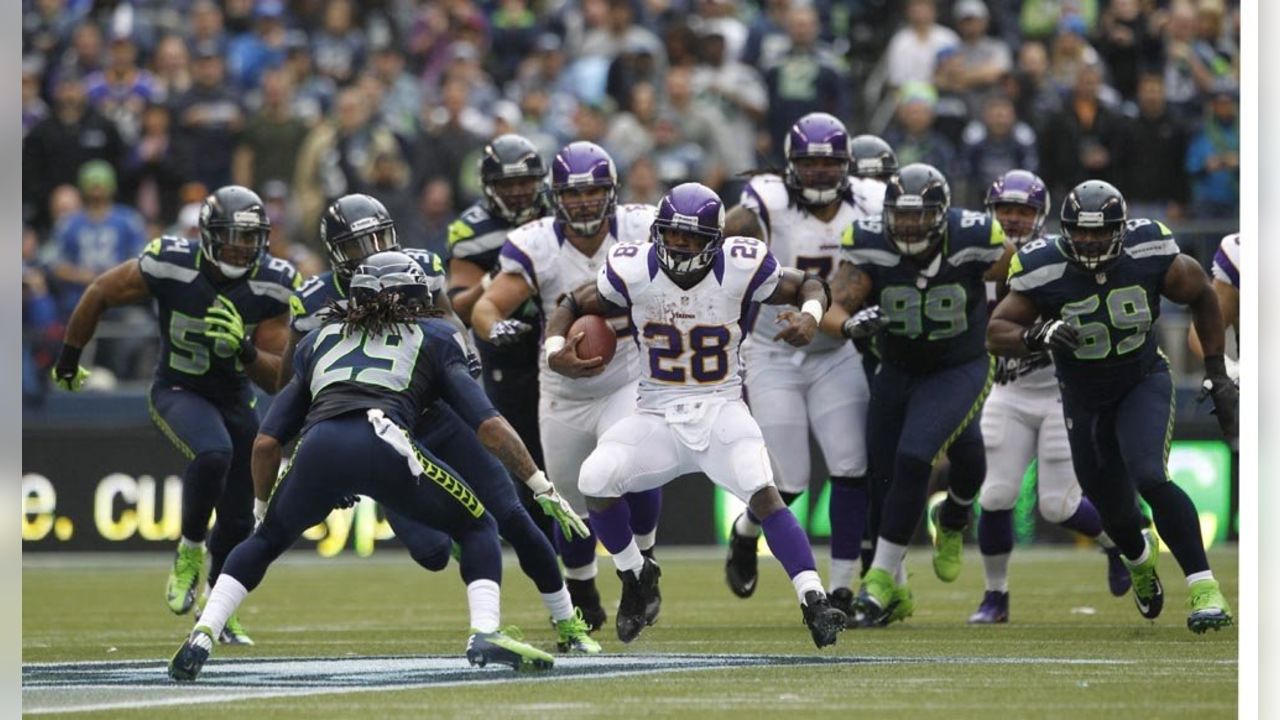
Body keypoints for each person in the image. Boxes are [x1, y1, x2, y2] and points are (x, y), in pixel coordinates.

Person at [168, 251, 557, 681]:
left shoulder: (319, 340)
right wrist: (539, 483)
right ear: (412, 299)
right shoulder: (434, 335)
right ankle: (485, 632)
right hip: (385, 438)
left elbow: (265, 442)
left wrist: (262, 510)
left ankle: (204, 631)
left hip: (319, 446)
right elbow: (489, 425)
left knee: (267, 541)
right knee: (478, 526)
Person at [282, 194, 600, 653]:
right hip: (384, 430)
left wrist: (466, 374)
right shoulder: (312, 300)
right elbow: (297, 381)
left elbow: (452, 321)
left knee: (510, 514)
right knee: (430, 553)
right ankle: (463, 539)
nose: (373, 251)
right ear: (335, 253)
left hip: (441, 414)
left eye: (380, 237)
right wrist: (324, 452)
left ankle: (567, 620)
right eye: (358, 245)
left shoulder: (418, 267)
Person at [542, 181, 848, 648]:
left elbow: (811, 284)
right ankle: (635, 575)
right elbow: (572, 302)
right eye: (674, 236)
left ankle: (814, 599)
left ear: (715, 241)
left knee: (764, 492)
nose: (681, 247)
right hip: (657, 413)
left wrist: (809, 314)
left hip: (721, 408)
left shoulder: (741, 265)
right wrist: (555, 348)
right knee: (593, 479)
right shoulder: (634, 267)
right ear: (658, 233)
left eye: (692, 239)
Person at [51, 185, 298, 645]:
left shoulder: (273, 283)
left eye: (252, 238)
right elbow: (99, 291)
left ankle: (218, 612)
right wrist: (69, 357)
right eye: (232, 236)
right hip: (177, 387)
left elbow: (277, 380)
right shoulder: (170, 261)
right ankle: (189, 550)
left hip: (234, 394)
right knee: (213, 452)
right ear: (206, 234)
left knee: (241, 515)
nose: (243, 248)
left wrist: (245, 350)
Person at [989, 180, 1236, 633]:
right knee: (1112, 508)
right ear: (1065, 230)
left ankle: (1204, 588)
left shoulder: (1150, 250)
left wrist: (1217, 372)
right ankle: (1139, 561)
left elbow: (1202, 293)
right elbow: (996, 329)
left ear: (1121, 229)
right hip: (1082, 398)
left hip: (1141, 380)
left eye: (1099, 233)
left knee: (1150, 475)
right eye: (1079, 233)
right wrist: (1035, 336)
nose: (1088, 241)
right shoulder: (1042, 267)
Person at [470, 141, 663, 633]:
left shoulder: (643, 228)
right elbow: (486, 306)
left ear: (611, 193)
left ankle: (643, 566)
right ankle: (583, 589)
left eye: (593, 191)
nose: (582, 202)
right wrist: (496, 329)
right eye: (572, 194)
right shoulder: (536, 242)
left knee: (628, 470)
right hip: (561, 389)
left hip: (625, 375)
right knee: (570, 503)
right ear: (555, 197)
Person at [828, 163, 1011, 626]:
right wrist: (847, 323)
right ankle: (943, 532)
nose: (909, 225)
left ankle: (878, 584)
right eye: (901, 215)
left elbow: (1016, 268)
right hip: (898, 366)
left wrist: (1009, 318)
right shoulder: (870, 245)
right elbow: (836, 305)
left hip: (960, 365)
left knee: (915, 457)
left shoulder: (975, 237)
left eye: (919, 215)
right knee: (886, 476)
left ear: (942, 214)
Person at [719, 113, 874, 616]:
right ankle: (745, 533)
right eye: (809, 163)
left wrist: (847, 324)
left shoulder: (870, 205)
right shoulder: (764, 204)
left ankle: (845, 587)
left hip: (834, 353)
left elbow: (861, 279)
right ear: (790, 166)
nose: (821, 173)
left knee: (851, 465)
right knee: (789, 480)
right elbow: (718, 248)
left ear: (847, 166)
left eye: (831, 164)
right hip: (772, 350)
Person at [969, 170, 1130, 625]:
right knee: (996, 494)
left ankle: (1119, 542)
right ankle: (995, 595)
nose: (1014, 219)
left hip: (1061, 392)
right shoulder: (975, 261)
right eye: (1005, 211)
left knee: (1057, 505)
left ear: (1041, 217)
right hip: (1009, 391)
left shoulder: (1061, 260)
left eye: (1023, 211)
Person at [445, 134, 551, 538]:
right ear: (490, 188)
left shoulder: (560, 212)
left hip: (563, 339)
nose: (520, 191)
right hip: (510, 349)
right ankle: (550, 545)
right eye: (509, 184)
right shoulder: (470, 230)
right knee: (530, 461)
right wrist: (491, 280)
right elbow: (458, 306)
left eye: (525, 181)